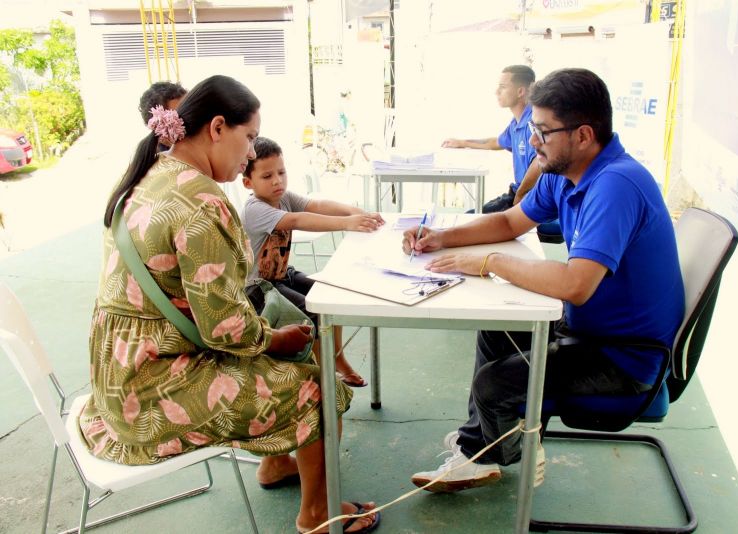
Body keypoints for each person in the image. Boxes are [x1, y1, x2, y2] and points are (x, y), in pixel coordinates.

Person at [81, 75, 381, 533]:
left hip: (119, 375)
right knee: (321, 389)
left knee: (286, 356)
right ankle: (317, 516)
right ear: (218, 128)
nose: (250, 153)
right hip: (149, 393)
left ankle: (276, 465)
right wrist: (274, 338)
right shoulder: (201, 201)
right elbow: (227, 330)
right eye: (250, 138)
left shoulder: (152, 174)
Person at [404, 68, 684, 493]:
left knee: (494, 383)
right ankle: (481, 442)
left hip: (624, 358)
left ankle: (496, 451)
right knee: (496, 325)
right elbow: (511, 220)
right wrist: (440, 238)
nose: (532, 140)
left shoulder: (616, 185)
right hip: (591, 327)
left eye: (542, 131)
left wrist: (490, 262)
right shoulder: (564, 170)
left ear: (583, 135)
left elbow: (575, 284)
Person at [240, 136, 385, 387]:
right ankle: (324, 374)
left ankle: (336, 359)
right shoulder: (255, 209)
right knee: (312, 312)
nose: (277, 181)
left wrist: (356, 212)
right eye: (267, 176)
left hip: (281, 275)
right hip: (257, 287)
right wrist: (346, 223)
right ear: (247, 182)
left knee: (331, 296)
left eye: (281, 172)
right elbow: (297, 220)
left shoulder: (282, 196)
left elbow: (316, 204)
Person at [442, 65, 563, 242]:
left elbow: (539, 163)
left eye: (502, 86)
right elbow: (496, 142)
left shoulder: (533, 121)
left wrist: (520, 196)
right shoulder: (516, 123)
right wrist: (462, 143)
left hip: (530, 196)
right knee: (467, 218)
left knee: (471, 225)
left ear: (521, 91)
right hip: (517, 193)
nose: (496, 92)